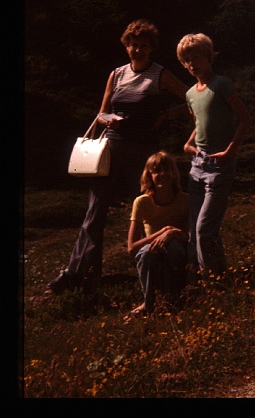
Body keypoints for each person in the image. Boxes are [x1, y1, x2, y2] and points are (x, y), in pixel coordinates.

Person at [47, 19, 188, 295]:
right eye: (133, 44)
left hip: (143, 153)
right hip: (111, 149)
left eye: (144, 46)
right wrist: (109, 120)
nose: (138, 50)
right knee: (94, 212)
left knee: (154, 206)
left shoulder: (160, 75)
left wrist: (166, 116)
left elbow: (191, 97)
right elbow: (101, 112)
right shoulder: (116, 74)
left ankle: (162, 267)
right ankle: (80, 274)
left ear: (152, 49)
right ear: (126, 46)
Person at [176, 33, 251, 284]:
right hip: (198, 165)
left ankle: (211, 287)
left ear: (209, 56)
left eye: (196, 57)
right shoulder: (190, 94)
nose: (192, 64)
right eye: (186, 60)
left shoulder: (221, 85)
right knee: (197, 233)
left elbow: (244, 118)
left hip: (220, 165)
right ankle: (216, 280)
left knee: (204, 230)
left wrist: (231, 151)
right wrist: (188, 144)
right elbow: (199, 123)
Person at [127, 150, 189, 316]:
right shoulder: (142, 202)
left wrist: (172, 233)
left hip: (178, 245)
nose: (162, 174)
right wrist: (164, 231)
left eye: (166, 170)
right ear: (149, 176)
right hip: (152, 247)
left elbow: (191, 236)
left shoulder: (185, 200)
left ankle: (174, 298)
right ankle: (149, 303)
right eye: (156, 171)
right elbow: (132, 248)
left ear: (173, 173)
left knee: (174, 246)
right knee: (147, 253)